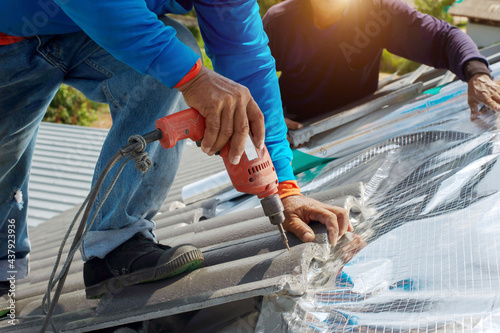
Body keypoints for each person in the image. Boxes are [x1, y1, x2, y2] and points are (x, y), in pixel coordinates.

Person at [0, 0, 353, 304]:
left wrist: (283, 186)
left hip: (93, 35)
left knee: (175, 54)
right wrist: (194, 79)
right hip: (8, 36)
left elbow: (244, 57)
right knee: (5, 163)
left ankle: (116, 244)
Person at [263, 0, 500, 131]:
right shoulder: (279, 21)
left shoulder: (378, 12)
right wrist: (269, 115)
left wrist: (477, 74)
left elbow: (443, 38)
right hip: (298, 128)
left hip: (360, 122)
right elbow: (247, 75)